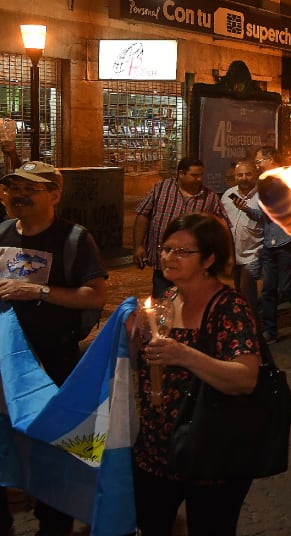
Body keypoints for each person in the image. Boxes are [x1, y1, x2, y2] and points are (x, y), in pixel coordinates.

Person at [131, 213, 260, 535]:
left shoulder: (229, 308)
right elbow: (147, 368)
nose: (167, 257)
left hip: (210, 453)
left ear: (209, 259)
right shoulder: (166, 302)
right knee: (151, 525)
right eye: (165, 248)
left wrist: (185, 354)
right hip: (156, 451)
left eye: (181, 251)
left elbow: (245, 378)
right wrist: (133, 340)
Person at [0, 161, 107, 536]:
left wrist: (38, 290)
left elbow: (95, 296)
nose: (19, 195)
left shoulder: (74, 239)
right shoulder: (0, 233)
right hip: (5, 368)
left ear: (55, 195)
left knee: (52, 450)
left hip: (54, 365)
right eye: (13, 187)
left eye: (31, 189)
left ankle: (55, 524)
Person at [134, 157, 229, 298]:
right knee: (163, 303)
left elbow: (223, 225)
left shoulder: (210, 197)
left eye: (201, 175)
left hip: (192, 267)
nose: (198, 179)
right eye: (194, 175)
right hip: (163, 263)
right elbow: (143, 215)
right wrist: (138, 245)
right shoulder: (161, 188)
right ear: (181, 174)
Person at [254, 146, 291, 343]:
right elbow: (264, 214)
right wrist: (245, 208)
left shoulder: (288, 180)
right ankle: (270, 329)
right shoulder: (263, 183)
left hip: (287, 242)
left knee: (286, 288)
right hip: (269, 243)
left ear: (270, 159)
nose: (257, 166)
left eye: (259, 161)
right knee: (268, 289)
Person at [221, 159, 263, 313]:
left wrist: (247, 210)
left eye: (248, 174)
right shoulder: (228, 195)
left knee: (247, 294)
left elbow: (266, 219)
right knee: (238, 292)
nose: (244, 178)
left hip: (253, 255)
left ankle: (251, 327)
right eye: (240, 175)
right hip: (234, 256)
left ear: (256, 175)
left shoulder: (262, 196)